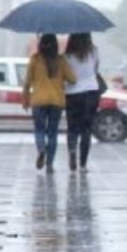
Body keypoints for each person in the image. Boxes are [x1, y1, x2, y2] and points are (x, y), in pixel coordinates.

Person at [23, 34, 76, 172]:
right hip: (56, 101)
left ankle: (41, 150)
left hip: (38, 100)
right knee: (52, 133)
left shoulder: (35, 60)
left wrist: (25, 100)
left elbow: (27, 82)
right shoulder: (61, 60)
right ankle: (50, 164)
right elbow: (72, 79)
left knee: (39, 130)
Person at [64, 33, 100, 172]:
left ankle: (72, 150)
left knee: (72, 127)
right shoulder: (94, 51)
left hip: (72, 93)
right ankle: (83, 164)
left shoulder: (67, 55)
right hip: (91, 91)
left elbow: (66, 75)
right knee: (86, 129)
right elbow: (96, 69)